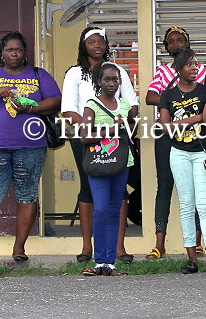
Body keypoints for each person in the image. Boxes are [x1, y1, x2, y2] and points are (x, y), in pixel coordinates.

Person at [0, 32, 61, 274]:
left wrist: (30, 108)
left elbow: (57, 102)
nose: (14, 54)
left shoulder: (38, 75)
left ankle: (19, 247)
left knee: (27, 195)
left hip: (31, 146)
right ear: (2, 53)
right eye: (10, 50)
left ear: (25, 53)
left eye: (19, 50)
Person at [61, 26, 138, 264]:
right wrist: (93, 129)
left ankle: (119, 248)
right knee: (88, 188)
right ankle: (87, 247)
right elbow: (68, 110)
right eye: (92, 42)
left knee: (119, 190)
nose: (97, 46)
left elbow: (132, 105)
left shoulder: (117, 71)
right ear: (83, 45)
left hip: (118, 139)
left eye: (101, 42)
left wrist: (122, 122)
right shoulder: (75, 73)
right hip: (86, 139)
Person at [159, 49, 206, 277]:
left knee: (205, 206)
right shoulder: (168, 95)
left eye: (196, 64)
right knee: (186, 206)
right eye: (189, 64)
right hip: (179, 153)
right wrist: (196, 118)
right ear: (178, 69)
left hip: (203, 153)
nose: (194, 68)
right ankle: (191, 260)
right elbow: (166, 128)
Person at [145, 26, 206, 260]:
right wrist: (177, 97)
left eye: (180, 40)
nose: (176, 44)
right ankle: (159, 245)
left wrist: (173, 100)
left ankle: (198, 243)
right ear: (166, 48)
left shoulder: (200, 70)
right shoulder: (163, 71)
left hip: (196, 135)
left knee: (197, 186)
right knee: (164, 186)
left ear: (187, 43)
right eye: (171, 42)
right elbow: (150, 97)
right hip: (166, 135)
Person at [80, 62, 137, 276]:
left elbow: (130, 131)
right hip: (98, 163)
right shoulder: (91, 105)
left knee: (114, 211)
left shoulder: (125, 105)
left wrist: (127, 126)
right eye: (107, 79)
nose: (112, 83)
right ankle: (99, 261)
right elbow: (85, 136)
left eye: (115, 79)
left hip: (121, 162)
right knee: (101, 209)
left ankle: (109, 264)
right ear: (99, 81)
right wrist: (112, 130)